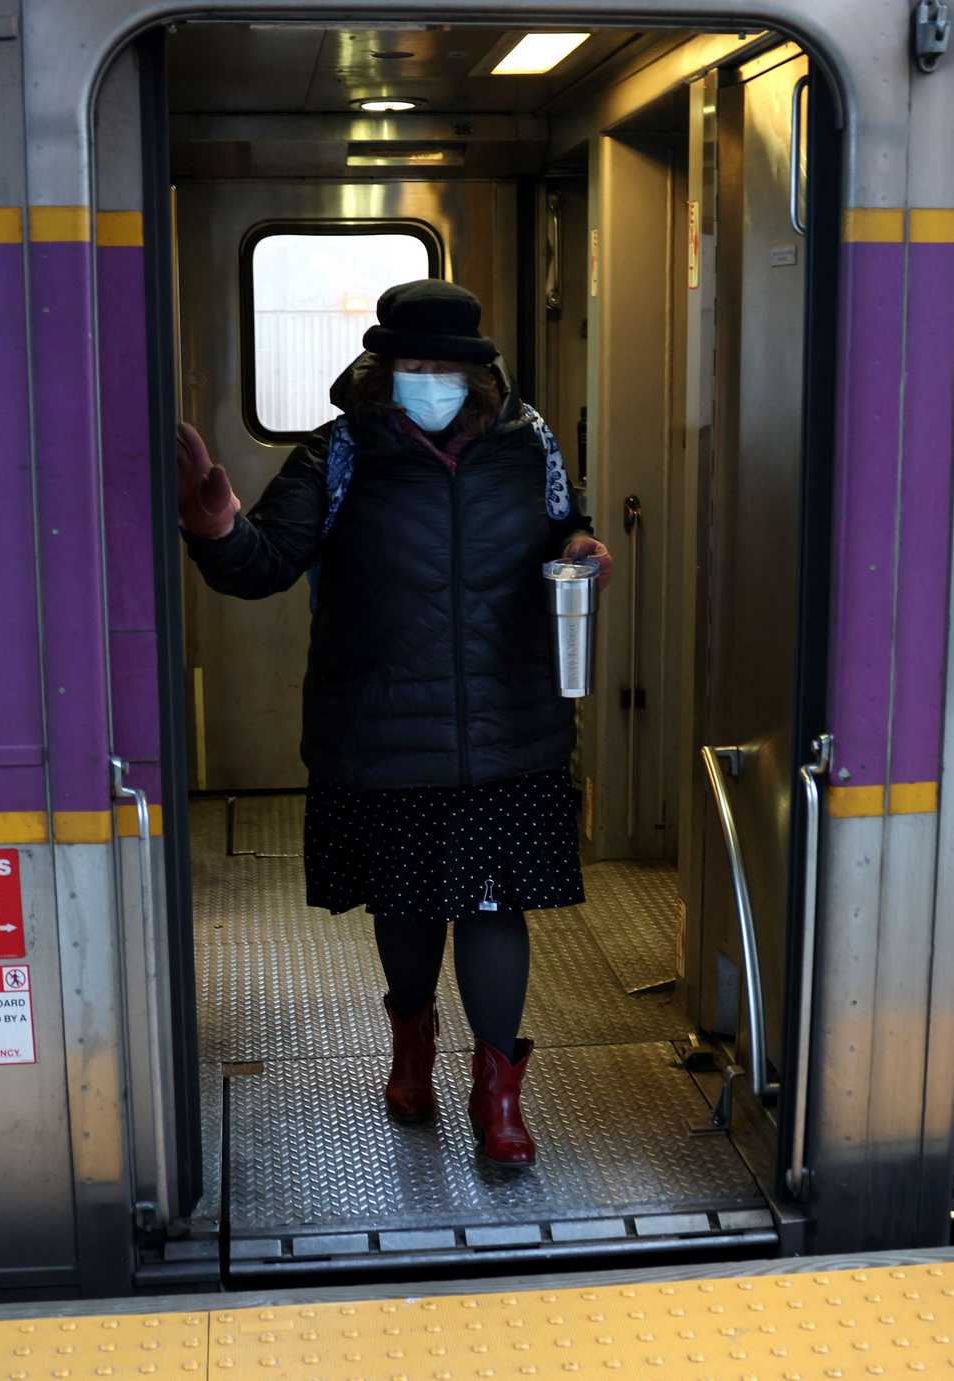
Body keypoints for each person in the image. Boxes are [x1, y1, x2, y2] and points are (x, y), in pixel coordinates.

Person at [177, 280, 611, 1168]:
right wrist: (216, 521)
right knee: (408, 905)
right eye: (411, 365)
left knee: (495, 906)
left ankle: (498, 1096)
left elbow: (567, 526)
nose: (428, 380)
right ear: (383, 369)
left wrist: (580, 551)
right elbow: (260, 565)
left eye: (443, 366)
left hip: (508, 723)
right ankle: (412, 1048)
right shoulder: (336, 454)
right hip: (381, 730)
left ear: (476, 374)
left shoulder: (529, 448)